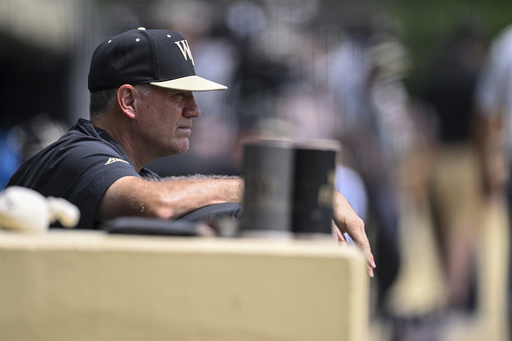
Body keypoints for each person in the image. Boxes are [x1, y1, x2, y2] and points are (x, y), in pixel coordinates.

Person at [5, 27, 375, 276]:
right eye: (179, 96)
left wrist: (297, 203)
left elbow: (174, 203)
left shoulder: (123, 169)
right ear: (128, 100)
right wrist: (267, 188)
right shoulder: (76, 154)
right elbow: (159, 204)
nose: (194, 109)